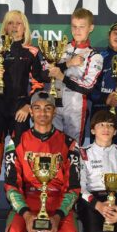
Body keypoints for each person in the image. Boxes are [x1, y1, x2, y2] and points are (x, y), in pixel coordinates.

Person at [0, 91, 83, 232]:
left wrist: (58, 216)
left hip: (58, 200)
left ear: (54, 112)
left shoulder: (69, 143)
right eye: (37, 108)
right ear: (31, 111)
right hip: (27, 200)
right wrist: (26, 214)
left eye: (48, 108)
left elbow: (74, 187)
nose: (43, 113)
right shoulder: (16, 141)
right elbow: (11, 184)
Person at [0, 10, 47, 212]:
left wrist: (28, 105)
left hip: (20, 108)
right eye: (10, 23)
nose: (15, 26)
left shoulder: (32, 52)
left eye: (18, 23)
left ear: (25, 26)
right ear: (5, 26)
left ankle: (18, 201)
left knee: (20, 156)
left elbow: (38, 84)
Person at [46, 8, 103, 144]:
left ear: (91, 28)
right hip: (54, 104)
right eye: (74, 26)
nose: (77, 31)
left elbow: (88, 87)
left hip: (76, 108)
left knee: (73, 148)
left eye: (81, 27)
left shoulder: (94, 56)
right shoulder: (60, 48)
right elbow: (46, 72)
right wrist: (69, 63)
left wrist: (63, 77)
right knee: (52, 146)